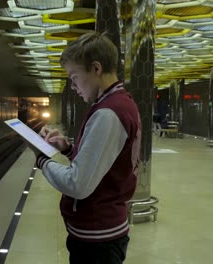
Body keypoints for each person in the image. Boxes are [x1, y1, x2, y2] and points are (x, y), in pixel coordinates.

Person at [32, 32, 141, 264]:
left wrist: (42, 159)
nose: (72, 86)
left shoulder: (108, 113)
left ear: (96, 68)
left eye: (74, 77)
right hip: (103, 232)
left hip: (97, 240)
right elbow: (106, 165)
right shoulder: (118, 103)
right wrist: (68, 149)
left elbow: (78, 184)